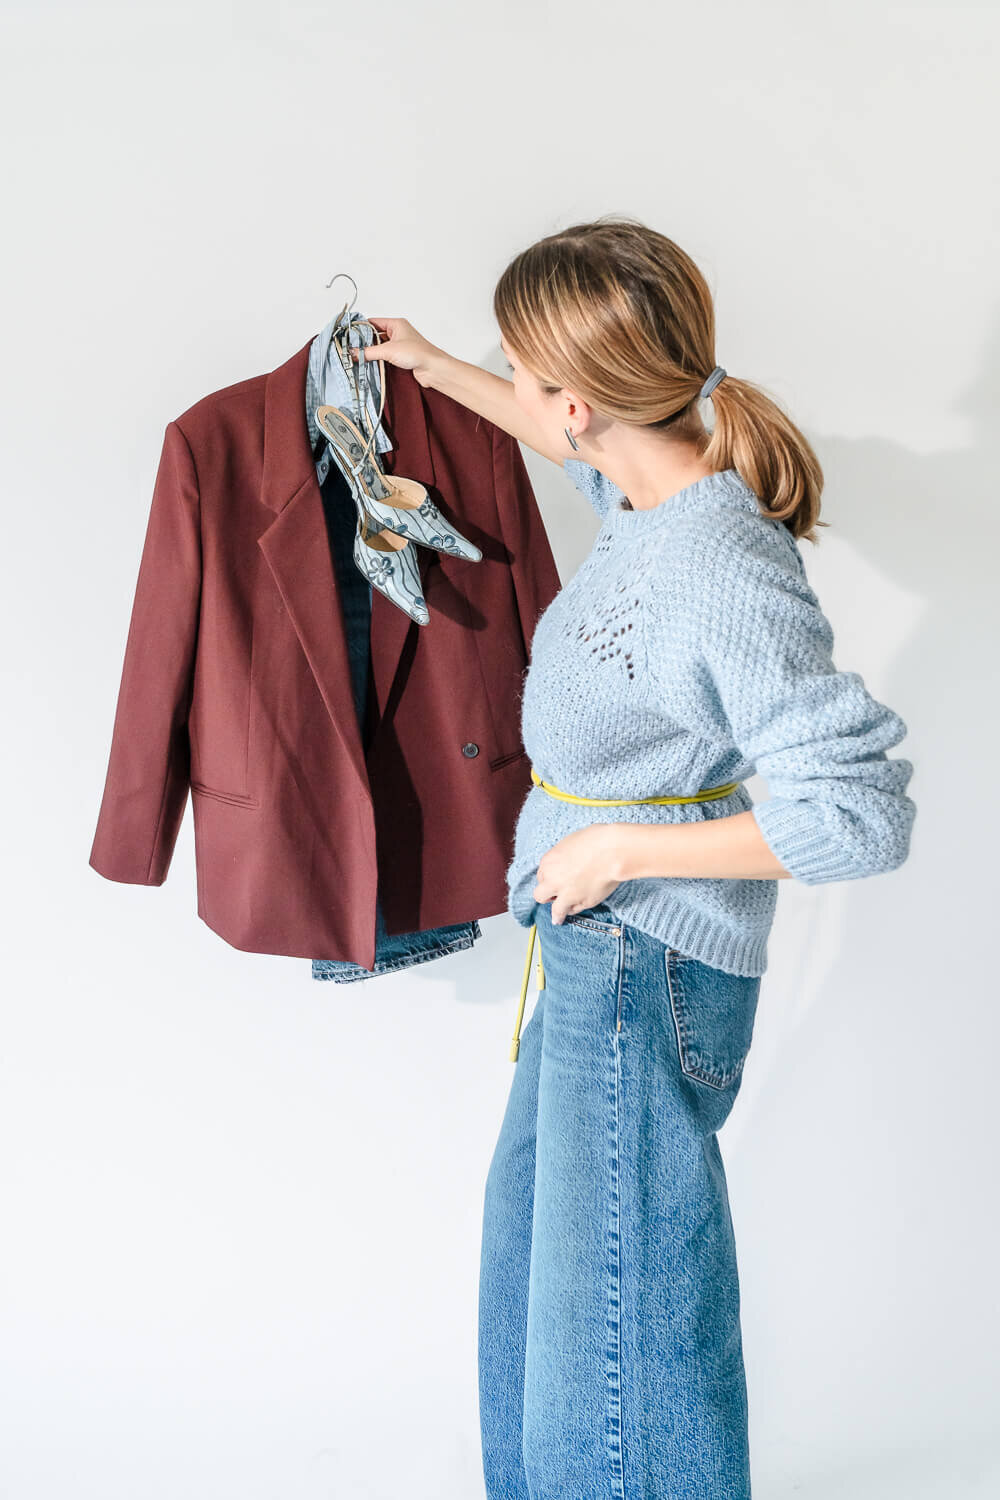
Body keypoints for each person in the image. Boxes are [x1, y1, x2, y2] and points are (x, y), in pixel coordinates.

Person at [355, 216, 916, 1499]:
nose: (518, 385)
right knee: (544, 1279)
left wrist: (618, 845)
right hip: (594, 947)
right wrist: (438, 367)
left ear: (582, 398)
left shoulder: (715, 563)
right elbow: (570, 440)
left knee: (618, 1323)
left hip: (643, 961)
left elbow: (857, 814)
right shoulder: (645, 493)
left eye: (522, 364)